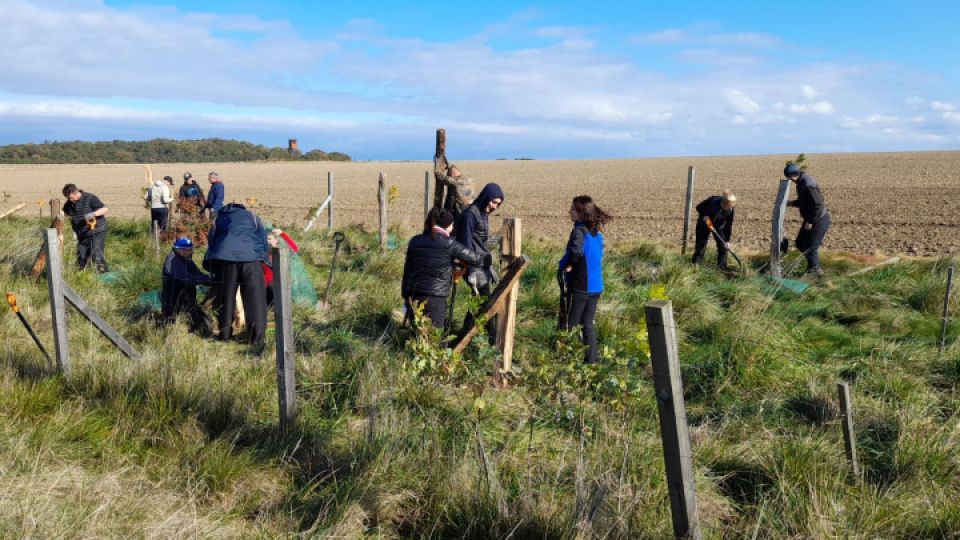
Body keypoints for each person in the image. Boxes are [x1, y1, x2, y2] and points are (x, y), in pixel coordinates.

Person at [401, 208, 487, 328]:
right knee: (434, 336)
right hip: (436, 298)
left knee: (416, 336)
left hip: (414, 295)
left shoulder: (415, 241)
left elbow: (407, 270)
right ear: (447, 226)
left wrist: (405, 295)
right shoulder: (449, 243)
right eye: (452, 224)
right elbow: (475, 258)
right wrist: (486, 257)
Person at [203, 201, 269, 353]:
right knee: (255, 299)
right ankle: (257, 339)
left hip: (226, 260)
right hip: (251, 259)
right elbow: (262, 239)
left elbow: (212, 241)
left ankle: (225, 334)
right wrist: (262, 257)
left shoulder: (219, 218)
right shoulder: (253, 216)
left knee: (226, 297)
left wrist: (212, 263)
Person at [559, 195, 611, 364]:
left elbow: (575, 251)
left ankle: (567, 362)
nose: (569, 211)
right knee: (588, 324)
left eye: (572, 209)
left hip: (582, 285)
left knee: (571, 325)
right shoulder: (596, 231)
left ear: (580, 212)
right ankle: (592, 361)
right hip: (597, 286)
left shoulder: (579, 231)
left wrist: (566, 264)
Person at [456, 183, 504, 344]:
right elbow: (466, 244)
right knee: (486, 303)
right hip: (474, 268)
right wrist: (470, 271)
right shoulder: (470, 215)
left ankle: (463, 337)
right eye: (493, 202)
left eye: (498, 204)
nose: (494, 206)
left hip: (482, 266)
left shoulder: (482, 213)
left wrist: (489, 263)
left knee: (478, 304)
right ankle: (493, 340)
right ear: (486, 197)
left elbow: (480, 243)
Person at [785, 163, 831, 276]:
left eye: (789, 177)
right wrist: (792, 203)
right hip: (811, 218)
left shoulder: (807, 184)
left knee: (811, 246)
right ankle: (812, 267)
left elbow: (818, 204)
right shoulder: (801, 182)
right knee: (801, 243)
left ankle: (816, 271)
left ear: (794, 175)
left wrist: (811, 221)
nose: (790, 180)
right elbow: (806, 201)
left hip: (819, 219)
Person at [161, 237, 212, 333]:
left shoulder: (186, 260)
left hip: (187, 301)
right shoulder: (173, 260)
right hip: (174, 304)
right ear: (181, 250)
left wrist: (210, 279)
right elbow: (186, 279)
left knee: (205, 323)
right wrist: (205, 279)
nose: (192, 252)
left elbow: (198, 274)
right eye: (189, 250)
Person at [61, 183, 109, 272]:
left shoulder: (90, 198)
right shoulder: (69, 203)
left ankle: (103, 273)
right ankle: (83, 275)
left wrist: (93, 214)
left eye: (71, 198)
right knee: (81, 255)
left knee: (96, 254)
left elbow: (105, 209)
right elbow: (64, 213)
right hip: (82, 233)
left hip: (97, 230)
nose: (70, 200)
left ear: (76, 192)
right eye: (68, 198)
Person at [692, 190, 737, 270]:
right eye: (729, 206)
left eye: (732, 206)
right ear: (724, 204)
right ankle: (696, 266)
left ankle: (722, 269)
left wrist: (727, 241)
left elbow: (728, 226)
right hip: (705, 223)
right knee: (701, 246)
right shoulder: (714, 204)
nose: (731, 208)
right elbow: (698, 208)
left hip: (718, 225)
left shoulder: (731, 210)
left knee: (723, 247)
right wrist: (705, 217)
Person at [263, 227, 299, 307]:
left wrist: (282, 234)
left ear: (276, 241)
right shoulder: (261, 254)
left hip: (275, 286)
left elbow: (294, 249)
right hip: (262, 286)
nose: (267, 241)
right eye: (265, 239)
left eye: (269, 239)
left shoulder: (280, 253)